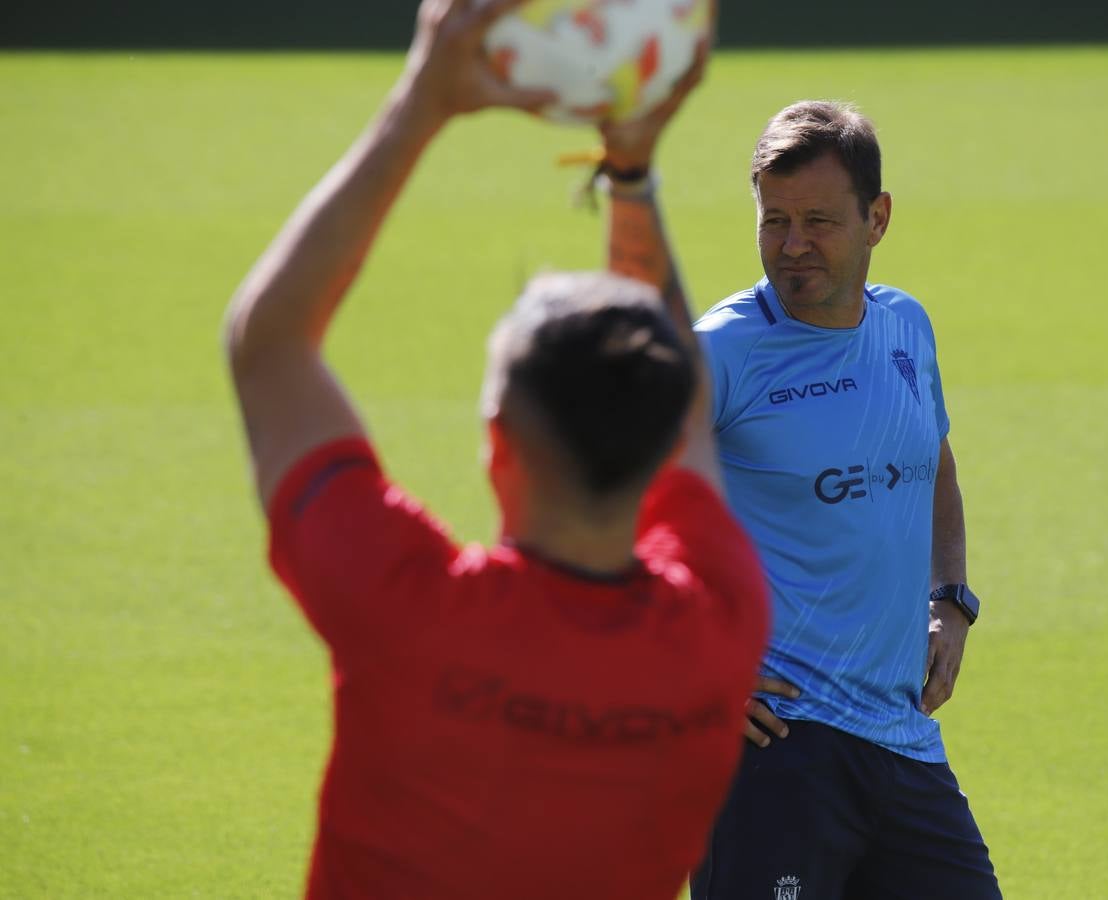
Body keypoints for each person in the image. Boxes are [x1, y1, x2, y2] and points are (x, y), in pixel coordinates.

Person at [222, 1, 768, 897]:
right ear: (668, 436)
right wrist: (629, 171)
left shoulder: (407, 607)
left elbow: (269, 341)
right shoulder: (722, 616)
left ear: (494, 442)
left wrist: (422, 102)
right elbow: (689, 404)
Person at [689, 100, 1001, 899]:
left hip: (903, 739)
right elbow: (610, 515)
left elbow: (934, 465)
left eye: (819, 221)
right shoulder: (719, 353)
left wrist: (951, 600)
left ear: (878, 218)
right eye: (774, 220)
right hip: (775, 751)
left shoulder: (906, 329)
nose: (792, 247)